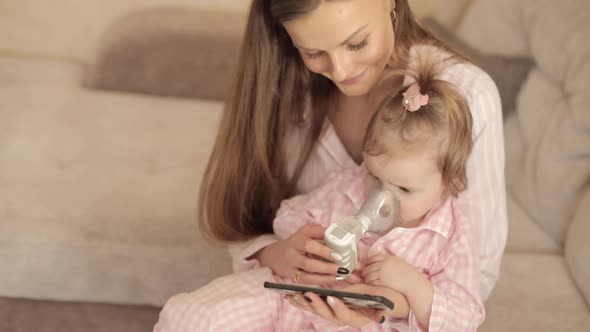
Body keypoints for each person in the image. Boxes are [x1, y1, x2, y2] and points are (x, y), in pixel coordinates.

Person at [154, 0, 506, 330]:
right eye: (314, 52)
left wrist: (393, 303)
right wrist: (282, 253)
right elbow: (253, 221)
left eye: (356, 43)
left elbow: (473, 285)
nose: (341, 70)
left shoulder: (468, 97)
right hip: (296, 301)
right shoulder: (284, 91)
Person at [272, 56, 484, 331]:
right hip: (302, 312)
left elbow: (465, 320)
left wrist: (413, 286)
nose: (382, 199)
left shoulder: (453, 237)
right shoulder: (346, 188)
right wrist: (313, 243)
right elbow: (286, 216)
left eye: (404, 189)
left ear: (449, 182)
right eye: (375, 178)